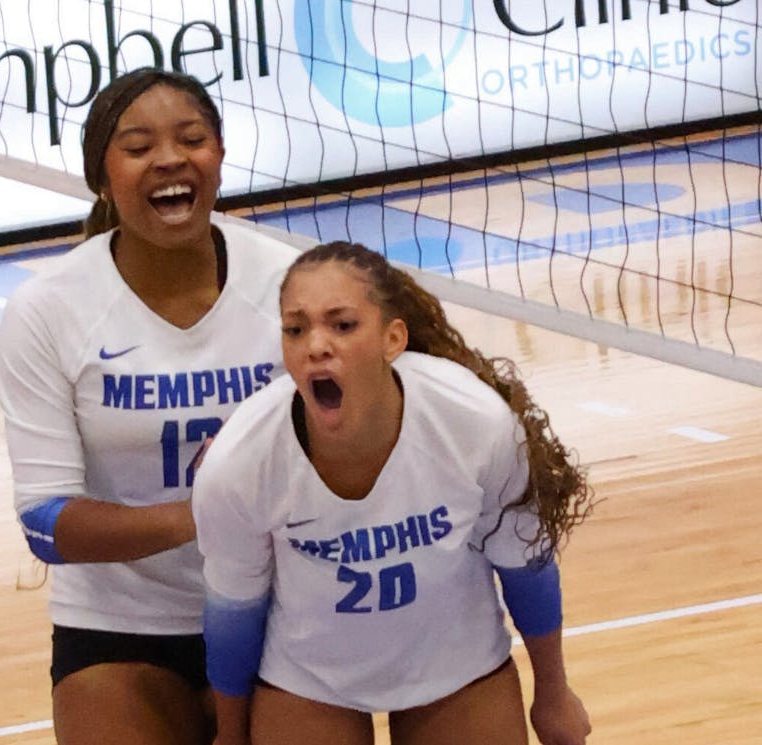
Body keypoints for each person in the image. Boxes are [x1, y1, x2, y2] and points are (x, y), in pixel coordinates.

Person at [0, 67, 300, 745]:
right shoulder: (48, 309)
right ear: (102, 176)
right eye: (138, 147)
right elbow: (46, 525)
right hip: (120, 627)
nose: (169, 158)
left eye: (191, 138)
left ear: (218, 156)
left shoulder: (289, 282)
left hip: (283, 608)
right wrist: (202, 512)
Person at [192, 241, 595, 745]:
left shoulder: (473, 420)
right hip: (309, 677)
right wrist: (230, 738)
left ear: (393, 338)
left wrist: (554, 693)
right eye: (296, 329)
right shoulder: (240, 460)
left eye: (342, 325)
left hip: (455, 661)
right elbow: (234, 611)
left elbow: (524, 564)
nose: (316, 344)